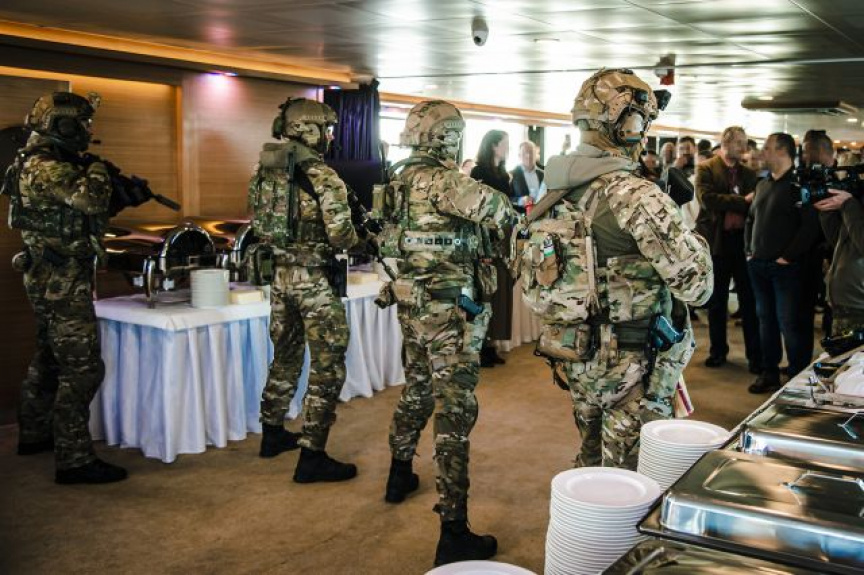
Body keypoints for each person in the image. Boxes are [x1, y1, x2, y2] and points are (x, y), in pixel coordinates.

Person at [517, 69, 712, 470]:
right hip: (633, 365)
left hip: (577, 355)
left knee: (592, 459)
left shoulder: (554, 192)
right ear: (627, 125)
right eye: (643, 121)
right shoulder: (637, 196)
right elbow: (698, 287)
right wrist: (683, 223)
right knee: (634, 477)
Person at [381, 100, 518, 566]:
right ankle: (453, 530)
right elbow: (503, 213)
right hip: (452, 315)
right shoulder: (448, 182)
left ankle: (399, 473)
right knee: (454, 412)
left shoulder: (396, 182)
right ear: (450, 139)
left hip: (411, 306)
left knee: (416, 389)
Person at [9, 91, 148, 484]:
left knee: (49, 357)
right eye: (83, 123)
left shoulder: (36, 161)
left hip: (49, 274)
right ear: (62, 124)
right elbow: (88, 200)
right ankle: (74, 459)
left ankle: (35, 432)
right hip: (61, 279)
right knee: (83, 367)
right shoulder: (47, 166)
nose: (88, 130)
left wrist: (117, 195)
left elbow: (73, 213)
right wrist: (100, 170)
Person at [249, 97, 360, 483]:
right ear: (307, 129)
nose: (329, 136)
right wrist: (362, 237)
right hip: (313, 281)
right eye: (325, 129)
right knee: (328, 366)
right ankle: (312, 454)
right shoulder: (322, 175)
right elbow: (341, 236)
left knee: (285, 356)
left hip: (280, 279)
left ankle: (272, 432)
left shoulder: (266, 171)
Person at [745, 133, 820, 393]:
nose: (762, 152)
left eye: (767, 147)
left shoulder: (799, 185)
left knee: (789, 323)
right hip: (758, 265)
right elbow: (750, 220)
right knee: (766, 322)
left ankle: (797, 377)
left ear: (782, 151)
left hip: (786, 269)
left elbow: (810, 227)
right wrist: (749, 251)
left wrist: (786, 257)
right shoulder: (762, 184)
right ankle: (770, 373)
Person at [695, 126, 762, 373]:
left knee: (749, 302)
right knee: (717, 302)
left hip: (742, 243)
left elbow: (755, 205)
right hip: (717, 241)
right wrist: (741, 201)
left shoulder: (749, 173)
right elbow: (707, 200)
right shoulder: (706, 168)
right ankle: (718, 352)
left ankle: (755, 357)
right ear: (727, 142)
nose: (744, 148)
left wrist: (737, 203)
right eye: (740, 143)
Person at [470, 130, 513, 368]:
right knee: (485, 293)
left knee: (499, 295)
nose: (508, 148)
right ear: (493, 146)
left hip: (503, 241)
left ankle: (492, 343)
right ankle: (482, 346)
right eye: (505, 144)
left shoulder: (503, 174)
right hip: (486, 241)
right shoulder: (479, 173)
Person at [815, 183, 864, 334]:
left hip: (858, 304)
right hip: (845, 303)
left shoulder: (853, 205)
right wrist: (828, 211)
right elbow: (841, 243)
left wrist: (849, 204)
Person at [510, 140, 545, 212]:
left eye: (531, 152)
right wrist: (520, 200)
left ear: (536, 155)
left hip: (544, 214)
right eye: (524, 153)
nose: (528, 156)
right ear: (519, 156)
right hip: (521, 216)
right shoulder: (511, 175)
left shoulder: (544, 174)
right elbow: (506, 198)